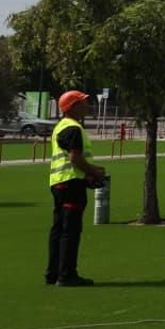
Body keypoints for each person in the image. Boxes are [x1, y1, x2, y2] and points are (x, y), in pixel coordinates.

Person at [46, 90, 108, 286]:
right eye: (83, 103)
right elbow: (75, 158)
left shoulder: (61, 126)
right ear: (72, 106)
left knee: (58, 229)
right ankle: (67, 275)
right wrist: (95, 172)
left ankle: (53, 273)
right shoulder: (74, 128)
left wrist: (90, 170)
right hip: (72, 183)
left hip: (59, 182)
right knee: (70, 231)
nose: (87, 106)